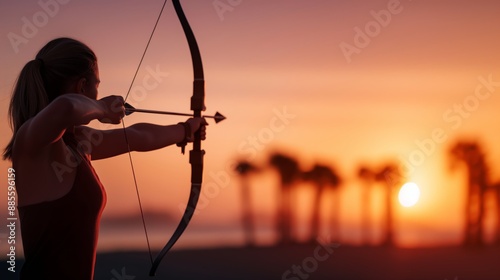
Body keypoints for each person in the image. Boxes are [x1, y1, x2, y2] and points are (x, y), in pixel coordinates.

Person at [2, 37, 207, 279]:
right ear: (82, 87)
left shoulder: (79, 141)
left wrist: (185, 130)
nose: (98, 90)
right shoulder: (30, 142)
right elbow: (66, 108)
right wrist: (102, 109)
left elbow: (137, 136)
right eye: (96, 84)